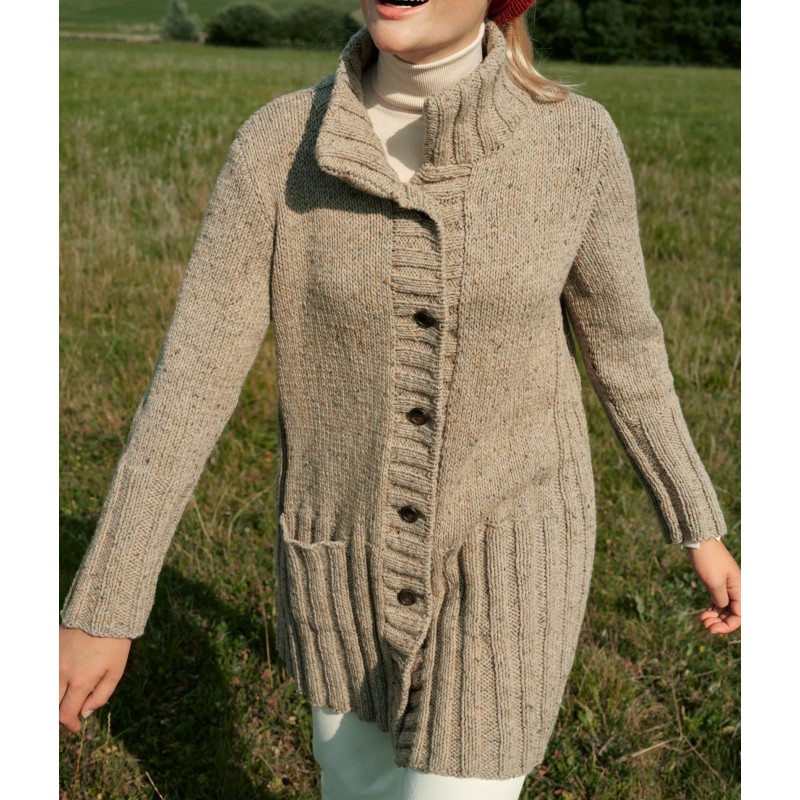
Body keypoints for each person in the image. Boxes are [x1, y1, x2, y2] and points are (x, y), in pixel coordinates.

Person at [59, 1, 742, 798]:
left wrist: (697, 525)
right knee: (359, 787)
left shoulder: (575, 141)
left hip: (513, 553)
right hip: (340, 564)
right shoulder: (281, 146)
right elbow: (190, 380)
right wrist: (106, 602)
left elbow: (626, 349)